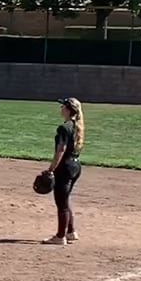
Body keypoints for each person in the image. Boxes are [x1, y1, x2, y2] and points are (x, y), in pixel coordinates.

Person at [40, 98, 85, 245]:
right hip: (75, 166)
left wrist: (51, 169)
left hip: (64, 168)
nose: (61, 108)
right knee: (65, 200)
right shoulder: (77, 126)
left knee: (61, 203)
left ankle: (60, 237)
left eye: (63, 106)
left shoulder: (64, 128)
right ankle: (71, 232)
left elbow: (61, 150)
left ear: (68, 109)